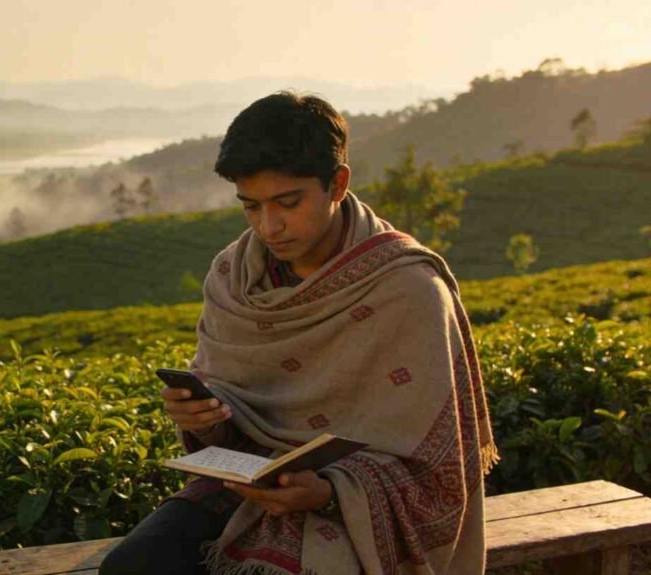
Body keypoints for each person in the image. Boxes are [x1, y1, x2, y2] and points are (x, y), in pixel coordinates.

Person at [99, 92, 499, 575]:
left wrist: (331, 491)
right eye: (251, 207)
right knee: (132, 567)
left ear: (338, 184)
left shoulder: (409, 289)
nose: (269, 226)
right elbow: (230, 421)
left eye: (287, 203)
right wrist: (201, 416)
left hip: (349, 503)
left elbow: (439, 470)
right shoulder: (233, 276)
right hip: (242, 487)